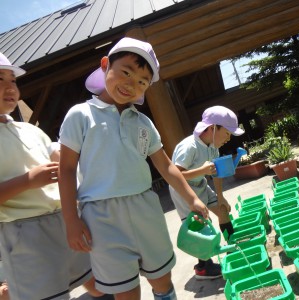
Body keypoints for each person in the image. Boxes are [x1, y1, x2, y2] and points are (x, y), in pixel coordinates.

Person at [58, 37, 208, 299]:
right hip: (100, 218)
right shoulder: (80, 115)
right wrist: (71, 219)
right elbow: (67, 169)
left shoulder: (143, 123)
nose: (131, 84)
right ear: (105, 65)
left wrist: (192, 198)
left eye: (141, 82)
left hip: (145, 208)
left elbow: (165, 165)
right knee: (125, 291)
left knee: (162, 278)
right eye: (125, 72)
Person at [0, 52, 107, 299]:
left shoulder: (28, 129)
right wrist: (30, 180)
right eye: (0, 79)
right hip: (23, 232)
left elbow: (58, 155)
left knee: (99, 281)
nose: (9, 86)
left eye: (13, 80)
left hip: (64, 218)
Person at [169, 105, 245, 279]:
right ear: (212, 128)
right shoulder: (189, 146)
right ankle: (203, 267)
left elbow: (215, 173)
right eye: (227, 133)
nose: (228, 138)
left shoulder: (212, 146)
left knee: (223, 211)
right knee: (200, 224)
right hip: (183, 190)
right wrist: (201, 171)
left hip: (200, 184)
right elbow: (174, 176)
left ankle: (233, 249)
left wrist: (221, 197)